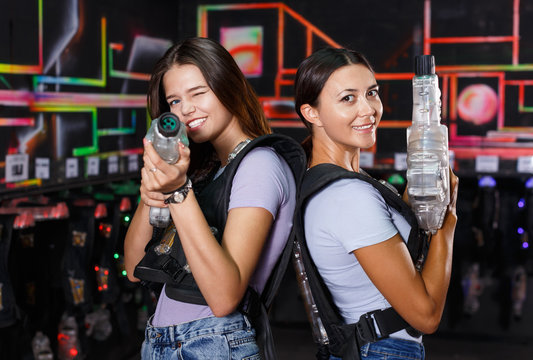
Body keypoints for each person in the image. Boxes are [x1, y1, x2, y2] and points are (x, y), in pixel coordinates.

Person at [124, 37, 304, 360]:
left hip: (211, 345)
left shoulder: (258, 165)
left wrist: (178, 190)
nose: (185, 110)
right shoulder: (206, 173)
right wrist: (152, 190)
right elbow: (134, 267)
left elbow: (223, 297)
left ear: (229, 86)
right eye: (174, 101)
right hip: (166, 342)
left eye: (198, 93)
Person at [293, 47, 459, 360]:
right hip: (382, 351)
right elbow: (426, 315)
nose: (368, 108)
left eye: (372, 93)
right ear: (311, 113)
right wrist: (447, 218)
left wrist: (417, 201)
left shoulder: (340, 185)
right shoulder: (348, 196)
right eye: (348, 98)